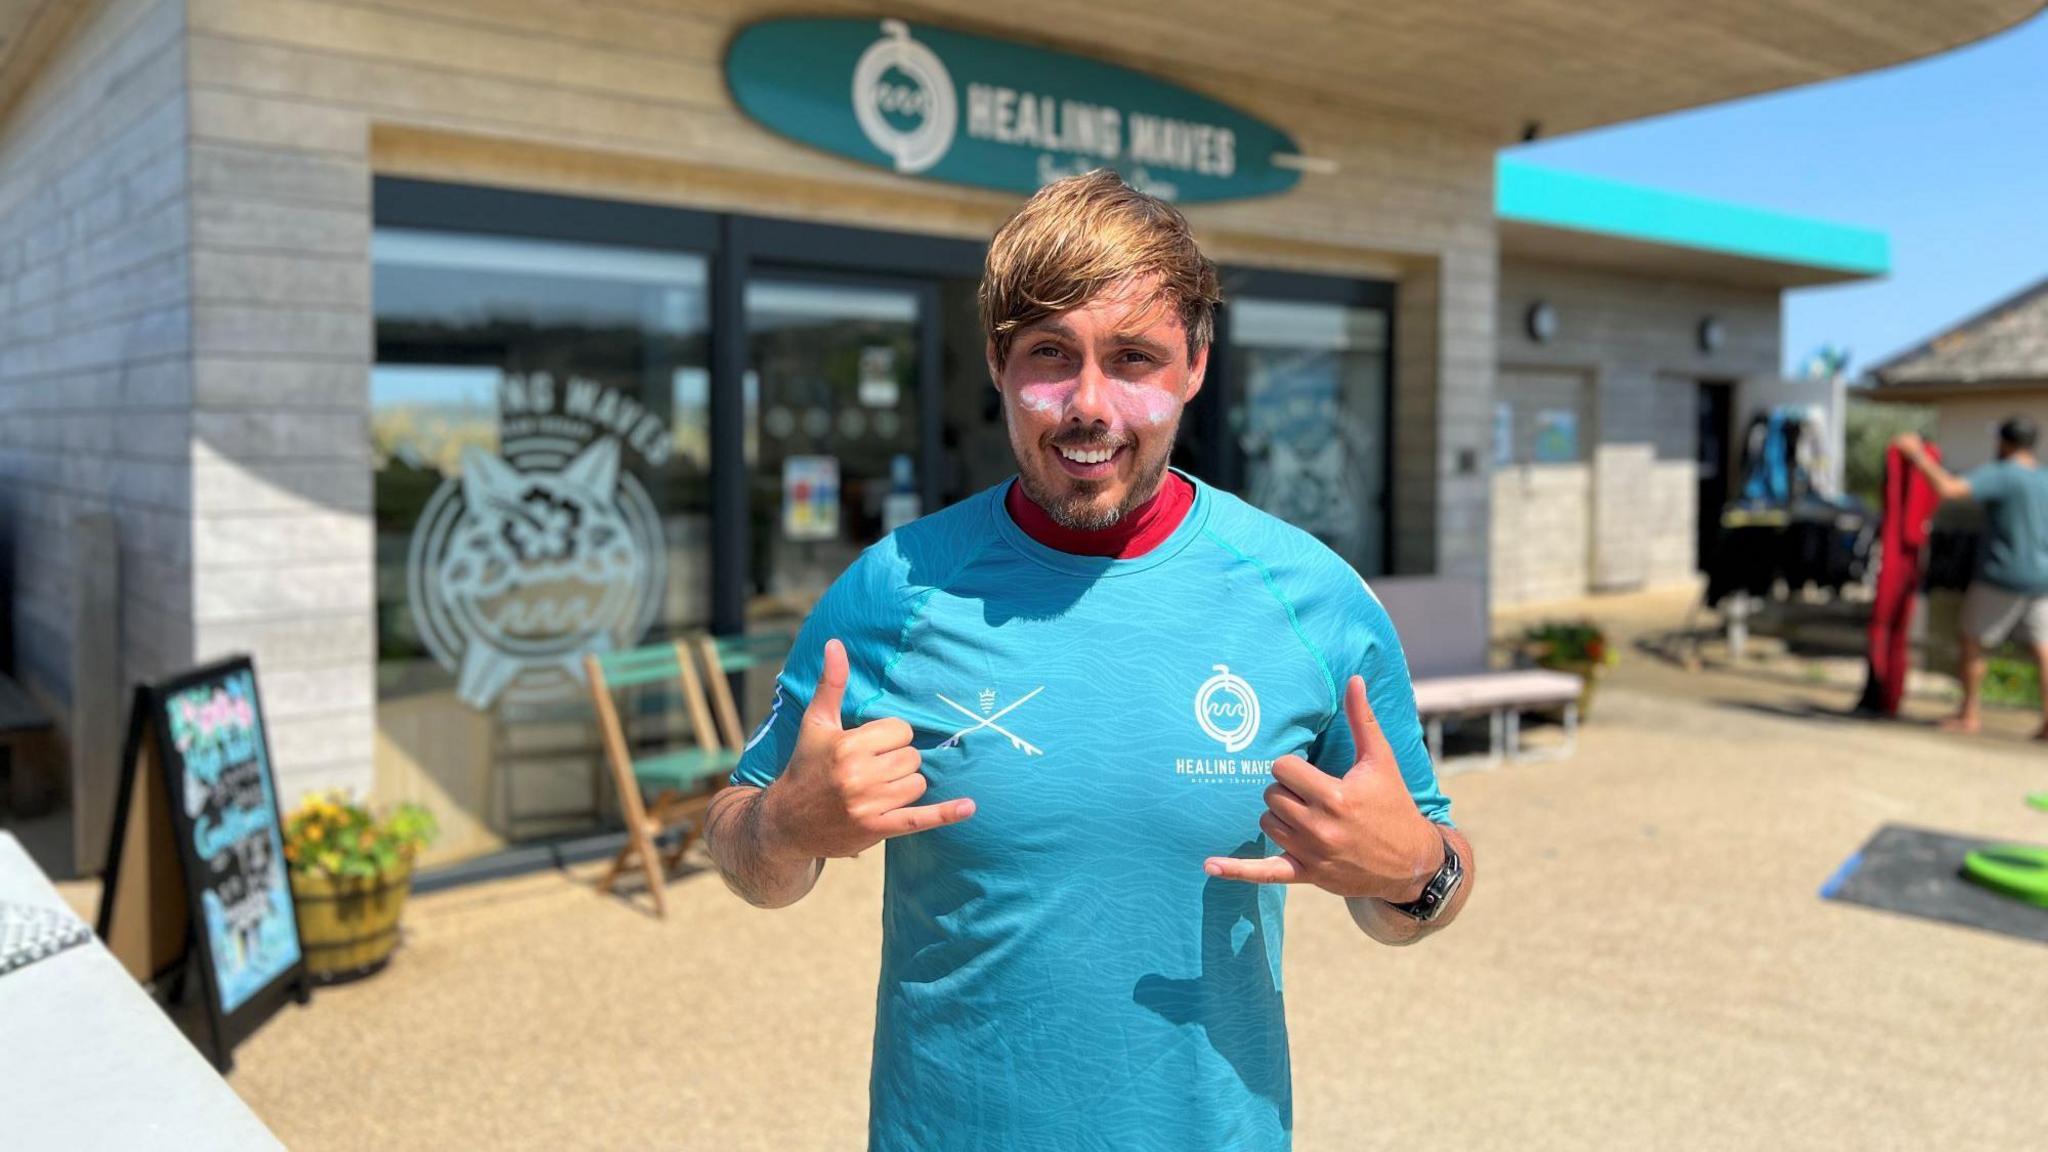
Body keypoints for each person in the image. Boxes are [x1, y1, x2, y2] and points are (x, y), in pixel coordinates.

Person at [703, 170, 1471, 1151]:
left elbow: (1428, 886)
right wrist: (783, 825)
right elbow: (737, 844)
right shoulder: (893, 588)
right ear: (996, 363)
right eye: (1049, 356)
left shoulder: (1310, 601)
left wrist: (1410, 870)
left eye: (1135, 358)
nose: (1087, 404)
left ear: (1194, 365)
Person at [1895, 418, 2048, 738]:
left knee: (1972, 641)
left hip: (2001, 573)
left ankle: (1969, 714)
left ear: (2005, 443)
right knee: (2043, 649)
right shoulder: (2043, 478)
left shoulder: (2003, 474)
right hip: (2041, 576)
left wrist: (1918, 456)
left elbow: (1949, 490)